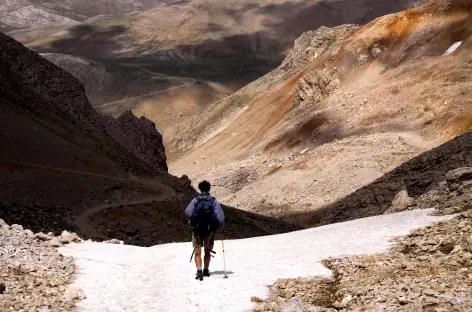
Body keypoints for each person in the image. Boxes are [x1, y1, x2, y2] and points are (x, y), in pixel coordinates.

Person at [185, 180, 225, 280]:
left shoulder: (195, 200)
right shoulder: (213, 201)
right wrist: (220, 226)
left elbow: (188, 212)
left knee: (197, 251)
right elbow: (220, 216)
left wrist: (194, 220)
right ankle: (206, 270)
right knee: (207, 251)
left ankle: (199, 271)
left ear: (200, 188)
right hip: (209, 230)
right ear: (209, 188)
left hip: (197, 229)